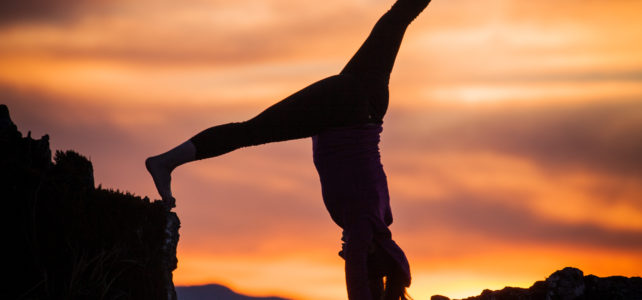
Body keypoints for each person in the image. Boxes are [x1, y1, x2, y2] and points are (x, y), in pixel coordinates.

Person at [146, 0, 432, 299]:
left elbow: (367, 263)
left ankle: (166, 163)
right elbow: (358, 274)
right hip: (341, 112)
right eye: (349, 253)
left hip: (370, 108)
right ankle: (165, 163)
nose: (344, 251)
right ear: (372, 248)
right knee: (250, 131)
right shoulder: (362, 224)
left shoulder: (382, 214)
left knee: (396, 20)